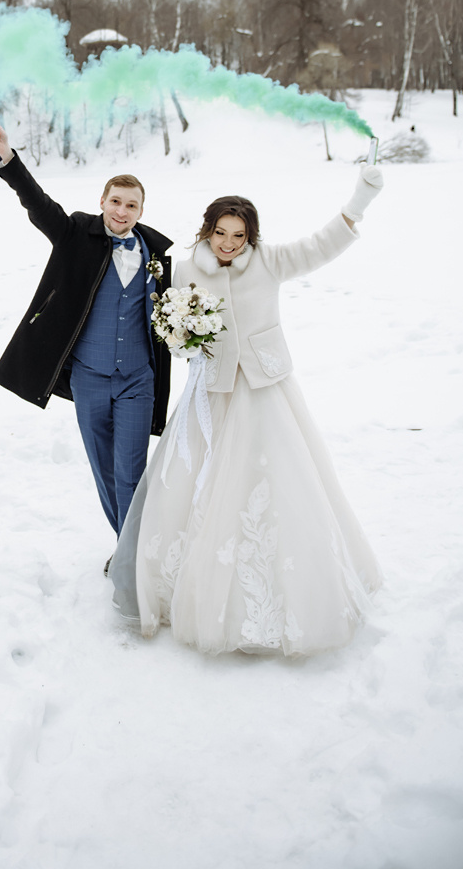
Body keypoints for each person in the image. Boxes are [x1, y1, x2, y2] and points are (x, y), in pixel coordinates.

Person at [109, 165, 384, 656]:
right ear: (207, 230)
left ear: (251, 237)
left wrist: (359, 199)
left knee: (279, 481)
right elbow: (162, 313)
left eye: (239, 235)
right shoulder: (183, 264)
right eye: (221, 233)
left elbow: (323, 244)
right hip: (210, 392)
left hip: (264, 387)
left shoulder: (270, 261)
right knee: (197, 486)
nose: (229, 243)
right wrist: (181, 337)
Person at [0, 114, 173, 541]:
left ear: (142, 210)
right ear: (102, 200)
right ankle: (127, 548)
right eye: (116, 201)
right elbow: (36, 200)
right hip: (89, 379)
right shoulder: (73, 234)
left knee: (132, 471)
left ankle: (134, 557)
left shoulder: (160, 254)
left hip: (139, 379)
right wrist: (6, 156)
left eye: (131, 204)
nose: (122, 211)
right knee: (104, 468)